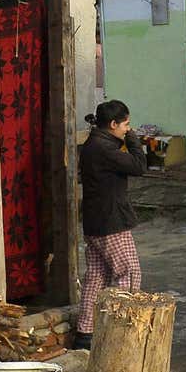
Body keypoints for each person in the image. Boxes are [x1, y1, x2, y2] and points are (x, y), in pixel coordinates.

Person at [76, 100, 147, 350]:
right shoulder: (103, 148)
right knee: (128, 274)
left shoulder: (95, 144)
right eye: (125, 124)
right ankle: (116, 333)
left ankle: (85, 333)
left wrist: (126, 138)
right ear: (113, 124)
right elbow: (139, 166)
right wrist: (135, 140)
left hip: (96, 221)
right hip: (111, 221)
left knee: (96, 276)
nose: (128, 129)